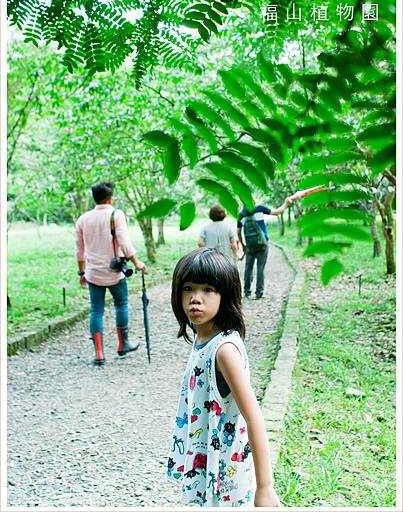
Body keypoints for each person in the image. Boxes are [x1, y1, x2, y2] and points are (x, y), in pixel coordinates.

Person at [167, 248, 281, 508]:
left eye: (208, 289)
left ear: (225, 295)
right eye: (188, 289)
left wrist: (265, 487)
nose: (196, 299)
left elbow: (254, 416)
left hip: (225, 470)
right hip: (207, 459)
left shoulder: (224, 350)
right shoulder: (203, 337)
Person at [75, 181, 146, 365]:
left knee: (96, 310)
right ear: (110, 197)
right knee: (121, 304)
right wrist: (137, 262)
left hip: (93, 273)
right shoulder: (116, 214)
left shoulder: (83, 219)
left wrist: (82, 272)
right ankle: (123, 344)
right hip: (114, 272)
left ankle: (99, 354)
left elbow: (79, 249)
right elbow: (123, 241)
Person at [237, 199, 292, 299]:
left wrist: (243, 245)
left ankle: (247, 291)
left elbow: (238, 232)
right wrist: (286, 204)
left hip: (249, 245)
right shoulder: (259, 209)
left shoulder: (241, 215)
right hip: (262, 243)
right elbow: (277, 212)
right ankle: (259, 293)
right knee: (260, 267)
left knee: (248, 268)